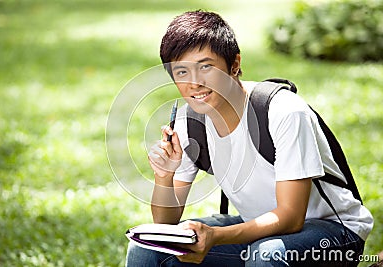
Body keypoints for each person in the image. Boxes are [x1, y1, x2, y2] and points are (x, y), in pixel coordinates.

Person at [125, 10, 373, 266]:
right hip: (259, 229)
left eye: (206, 67)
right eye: (182, 72)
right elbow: (165, 224)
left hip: (336, 234)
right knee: (149, 251)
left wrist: (215, 236)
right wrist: (164, 177)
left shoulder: (283, 110)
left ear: (234, 64)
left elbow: (291, 217)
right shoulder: (189, 125)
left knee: (266, 255)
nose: (194, 83)